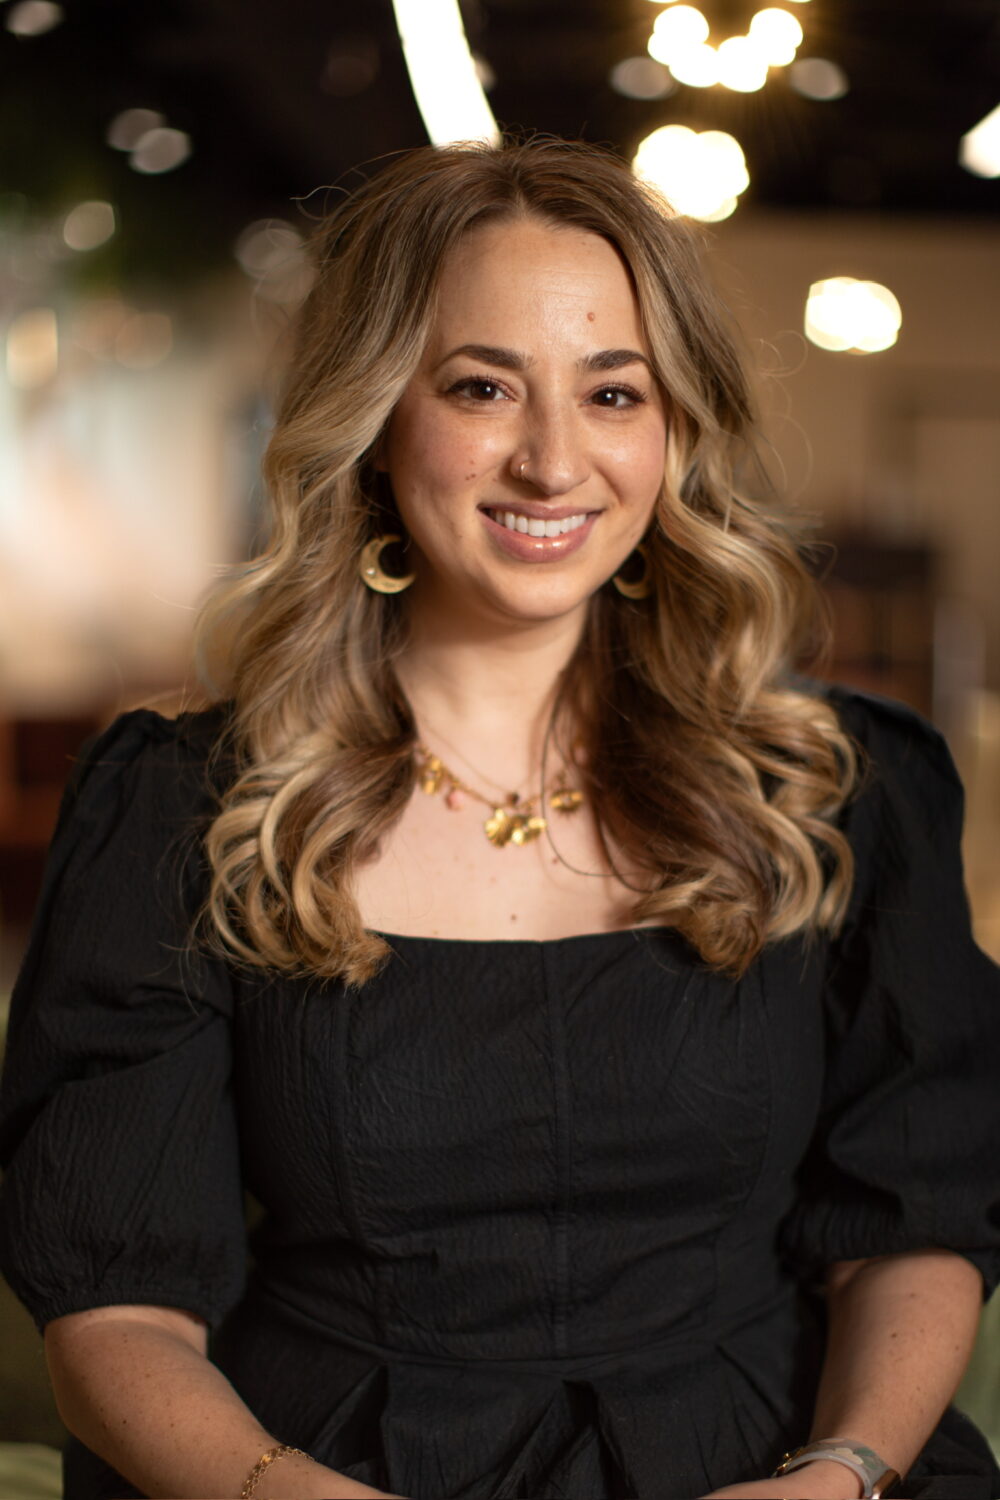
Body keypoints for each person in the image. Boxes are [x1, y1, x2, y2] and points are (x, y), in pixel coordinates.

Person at [0, 135, 998, 1500]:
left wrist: (842, 1472)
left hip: (778, 1465)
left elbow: (914, 1219)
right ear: (375, 420)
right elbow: (115, 1305)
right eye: (480, 387)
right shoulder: (186, 806)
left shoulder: (843, 792)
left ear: (673, 433)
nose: (553, 460)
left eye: (613, 392)